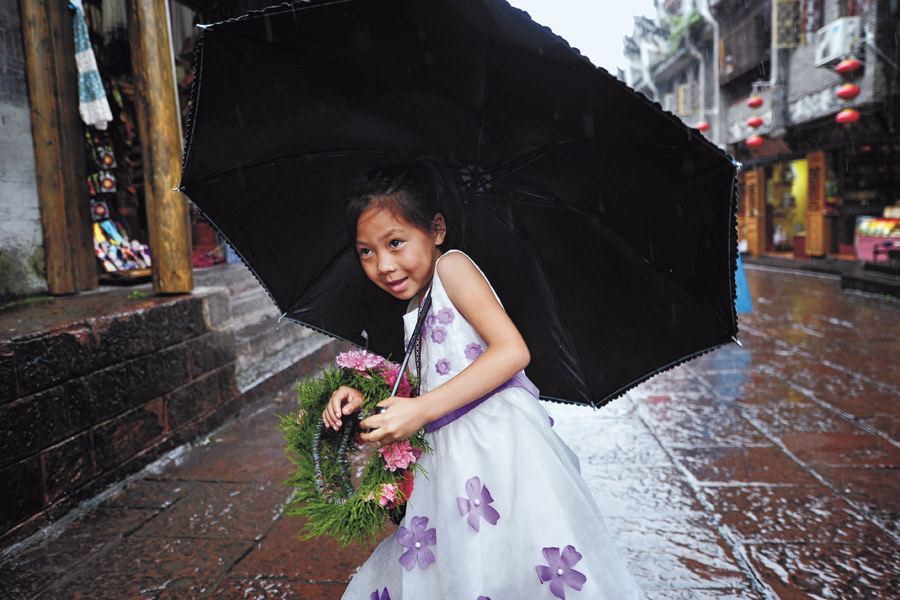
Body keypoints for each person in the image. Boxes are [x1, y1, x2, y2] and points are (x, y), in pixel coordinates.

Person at [323, 159, 644, 600]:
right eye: (366, 251)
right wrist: (365, 395)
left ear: (436, 230)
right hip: (451, 457)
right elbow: (431, 379)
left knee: (507, 560)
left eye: (396, 242)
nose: (383, 264)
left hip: (495, 447)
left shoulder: (453, 267)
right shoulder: (417, 303)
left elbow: (512, 351)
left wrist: (421, 409)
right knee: (464, 565)